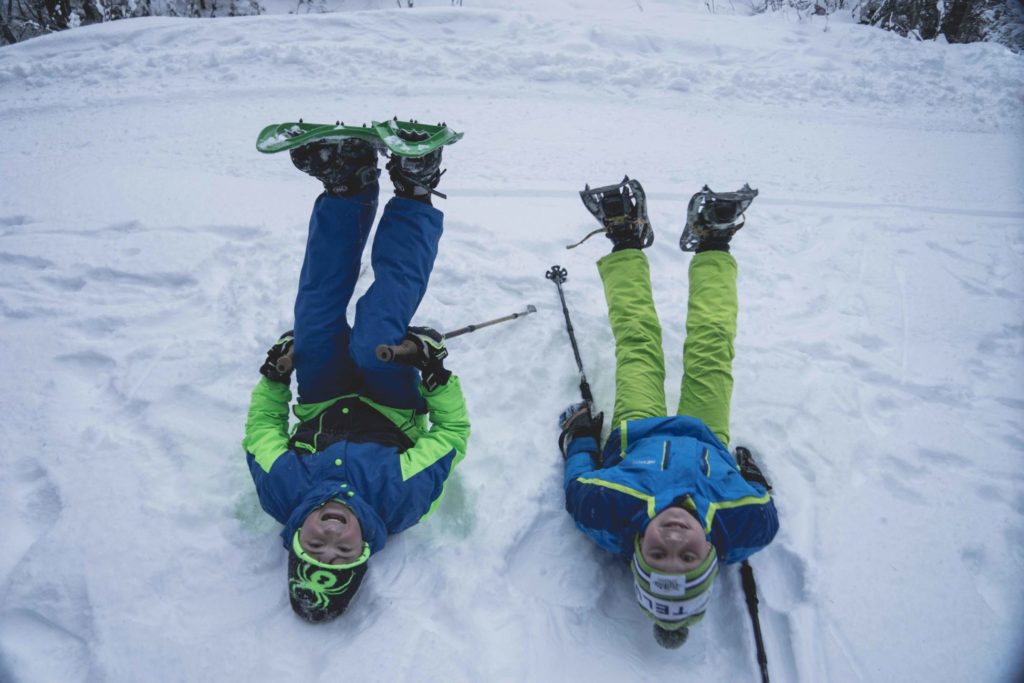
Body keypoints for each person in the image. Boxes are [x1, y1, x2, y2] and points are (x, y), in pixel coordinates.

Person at [242, 129, 470, 623]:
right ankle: (414, 190)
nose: (328, 539)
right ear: (365, 549)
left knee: (314, 319)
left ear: (295, 540)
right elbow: (451, 435)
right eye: (342, 554)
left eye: (313, 550)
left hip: (323, 399)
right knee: (375, 336)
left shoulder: (282, 492)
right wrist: (434, 375)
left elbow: (263, 431)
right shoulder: (399, 501)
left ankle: (350, 183)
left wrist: (276, 378)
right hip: (392, 406)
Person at [558, 179, 779, 648]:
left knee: (638, 343)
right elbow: (762, 499)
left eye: (659, 553)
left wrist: (578, 435)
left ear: (638, 548)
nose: (675, 540)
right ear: (711, 555)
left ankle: (625, 237)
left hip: (638, 429)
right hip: (707, 436)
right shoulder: (747, 524)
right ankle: (714, 240)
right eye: (688, 556)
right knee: (712, 346)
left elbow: (578, 482)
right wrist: (749, 472)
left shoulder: (608, 508)